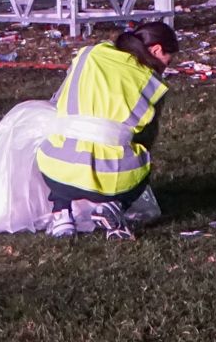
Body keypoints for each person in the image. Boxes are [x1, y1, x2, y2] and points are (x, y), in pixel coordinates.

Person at [35, 21, 179, 240]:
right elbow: (146, 139)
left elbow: (57, 101)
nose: (166, 66)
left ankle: (61, 214)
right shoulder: (151, 82)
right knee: (143, 161)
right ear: (157, 50)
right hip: (111, 176)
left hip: (55, 167)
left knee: (64, 144)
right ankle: (113, 204)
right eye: (168, 60)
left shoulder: (89, 54)